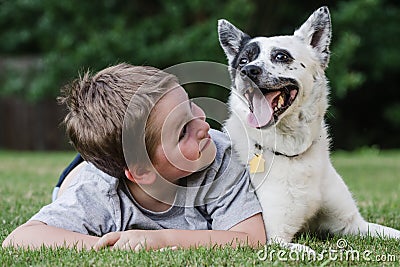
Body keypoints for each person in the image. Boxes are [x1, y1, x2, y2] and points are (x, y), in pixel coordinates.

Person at [2, 63, 265, 250]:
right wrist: (103, 245)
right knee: (76, 184)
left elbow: (251, 238)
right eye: (184, 130)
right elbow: (20, 238)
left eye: (191, 106)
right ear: (143, 172)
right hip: (89, 174)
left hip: (126, 165)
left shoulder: (221, 157)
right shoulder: (98, 193)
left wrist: (164, 240)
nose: (204, 125)